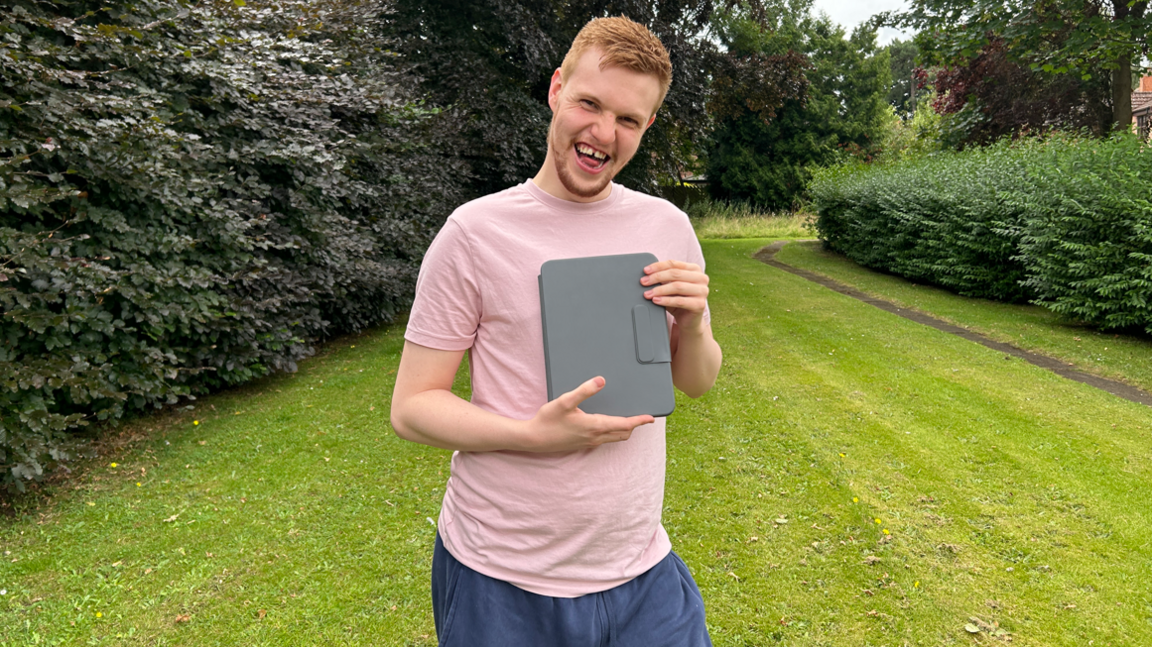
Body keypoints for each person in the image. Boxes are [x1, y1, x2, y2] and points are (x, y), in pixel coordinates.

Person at [390, 16, 723, 647]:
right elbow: (412, 408)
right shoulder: (473, 233)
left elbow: (695, 382)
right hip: (500, 579)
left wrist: (696, 324)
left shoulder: (667, 225)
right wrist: (532, 436)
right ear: (556, 90)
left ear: (647, 127)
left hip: (642, 570)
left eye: (629, 119)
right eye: (589, 104)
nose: (603, 133)